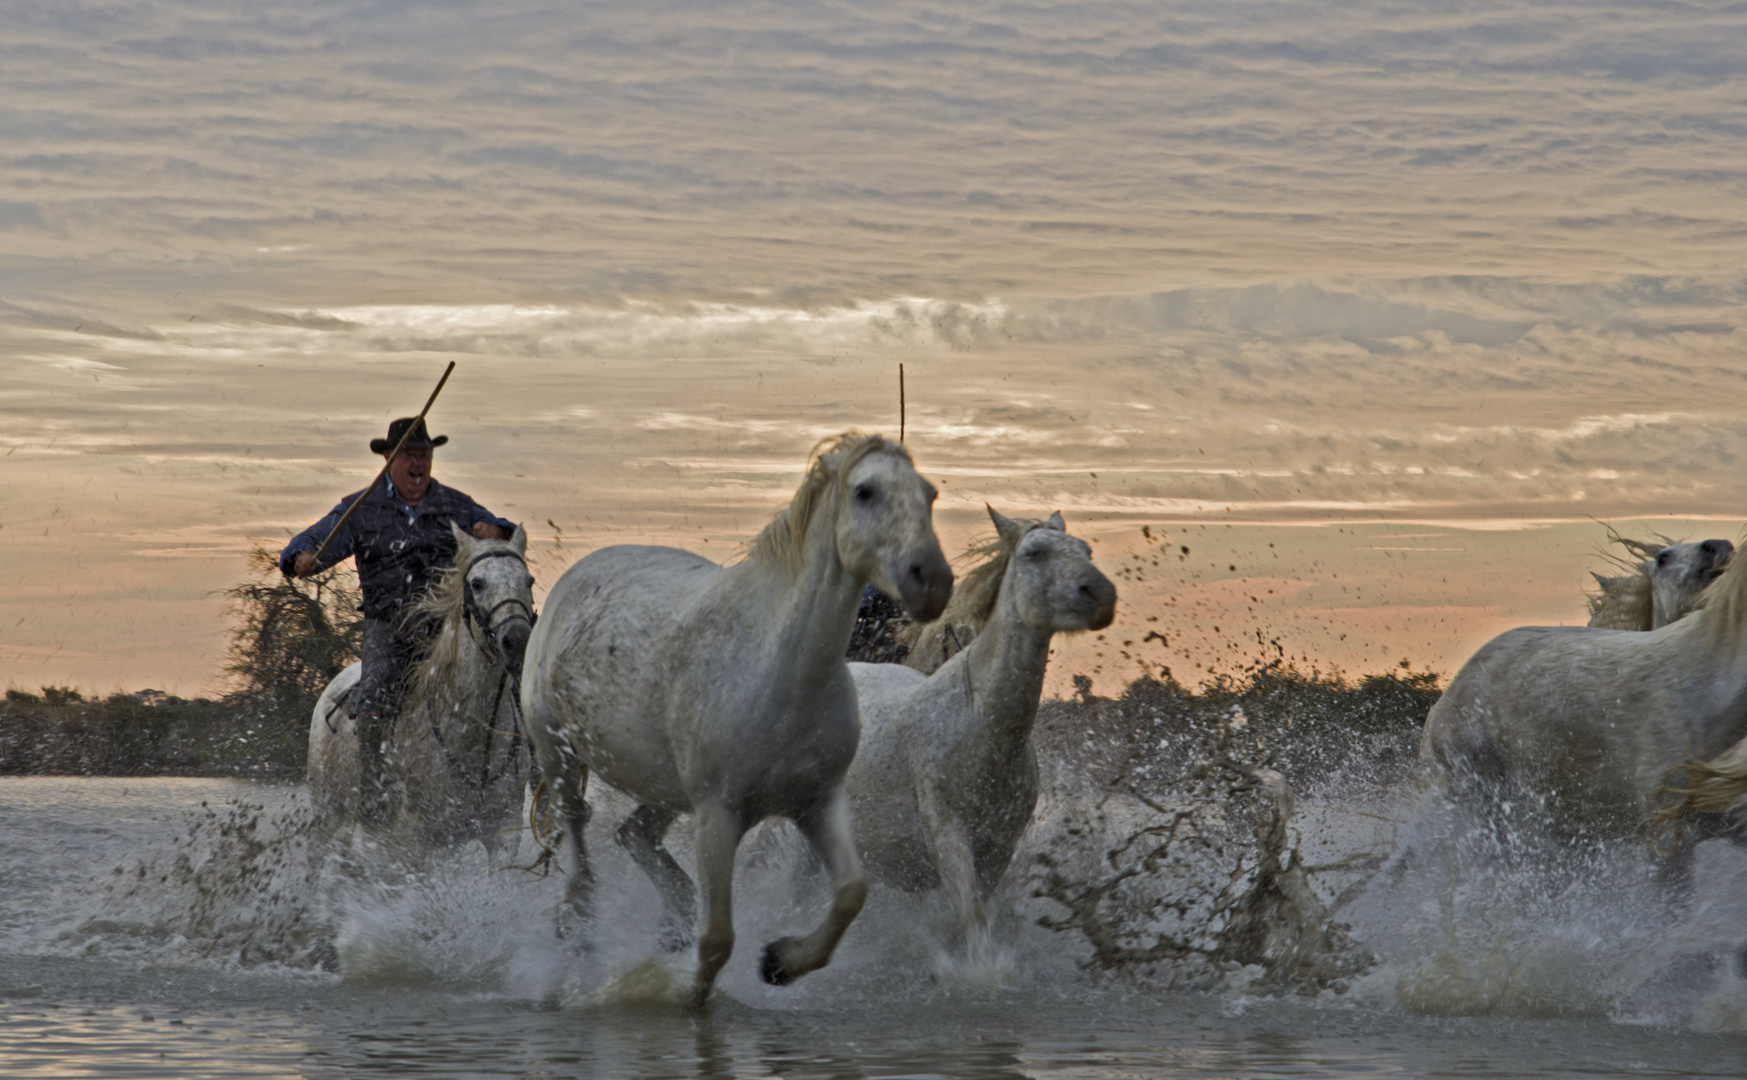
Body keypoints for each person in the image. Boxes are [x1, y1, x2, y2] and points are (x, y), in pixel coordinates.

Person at [280, 416, 516, 822]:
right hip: (387, 625)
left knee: (508, 672)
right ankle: (374, 791)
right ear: (389, 458)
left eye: (423, 454)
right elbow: (310, 542)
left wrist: (492, 529)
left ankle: (533, 774)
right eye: (409, 454)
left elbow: (504, 529)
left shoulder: (455, 505)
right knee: (375, 687)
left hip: (446, 627)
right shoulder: (362, 508)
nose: (417, 463)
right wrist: (300, 559)